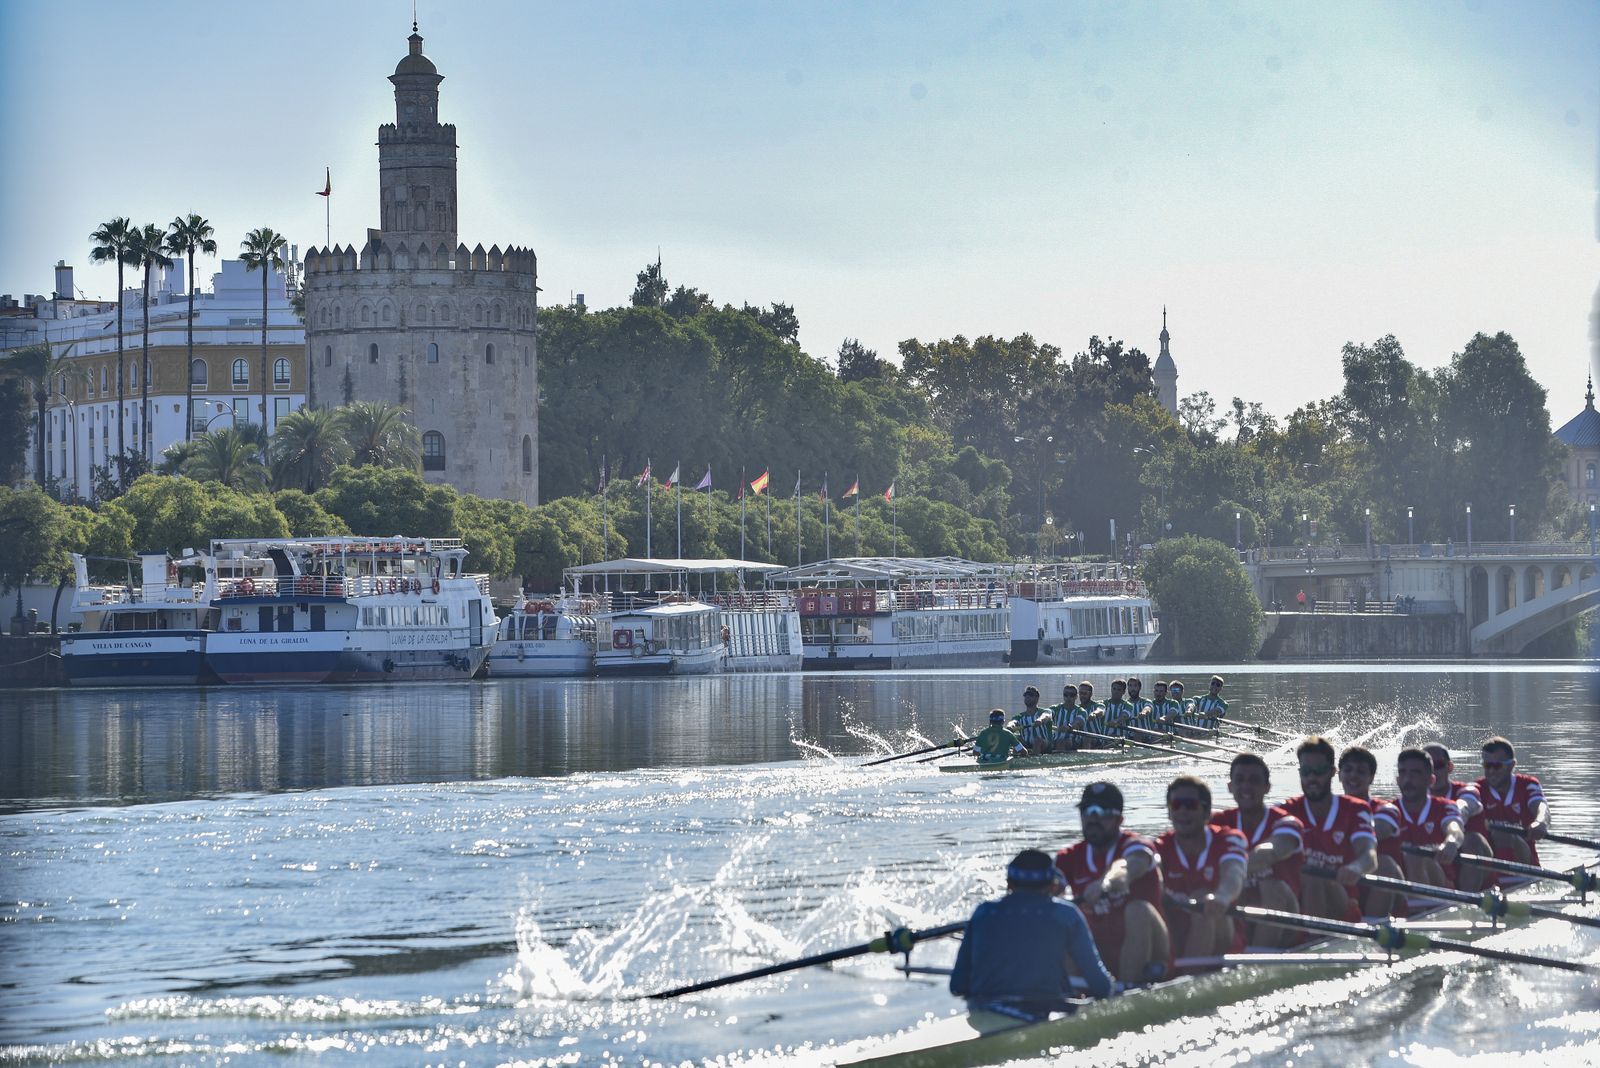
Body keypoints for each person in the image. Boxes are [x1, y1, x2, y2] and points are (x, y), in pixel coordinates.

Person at [950, 848, 1115, 1019]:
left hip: (981, 1012)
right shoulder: (1066, 914)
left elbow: (957, 986)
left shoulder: (982, 912)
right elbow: (1101, 987)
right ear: (1053, 886)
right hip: (1043, 1012)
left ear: (1008, 884)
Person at [1054, 783, 1171, 983]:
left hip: (1153, 952)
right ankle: (1067, 995)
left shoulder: (1137, 846)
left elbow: (1126, 867)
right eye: (1087, 811)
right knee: (1059, 918)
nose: (1093, 818)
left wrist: (1105, 884)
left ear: (1119, 820)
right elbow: (1044, 892)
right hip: (1098, 951)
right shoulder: (1067, 858)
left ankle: (1127, 989)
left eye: (1103, 812)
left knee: (1138, 910)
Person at [1282, 737, 1378, 922]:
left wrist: (1357, 867)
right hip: (1296, 904)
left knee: (1314, 877)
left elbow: (1369, 854)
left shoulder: (1356, 809)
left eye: (1318, 771)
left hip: (1343, 903)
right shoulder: (1286, 810)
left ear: (1333, 772)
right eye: (1306, 771)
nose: (1312, 778)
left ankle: (1310, 940)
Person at [1213, 753, 1304, 947]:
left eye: (1254, 781)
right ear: (1230, 786)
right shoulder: (1217, 823)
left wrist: (1226, 871)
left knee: (1272, 887)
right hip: (1238, 912)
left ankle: (1259, 957)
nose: (1246, 787)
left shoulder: (1286, 822)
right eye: (1240, 780)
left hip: (1285, 919)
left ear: (1267, 787)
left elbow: (1269, 853)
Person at [1155, 774, 1248, 959]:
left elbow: (1234, 873)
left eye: (1190, 805)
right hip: (1176, 934)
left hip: (1222, 935)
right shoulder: (1159, 847)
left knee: (1201, 900)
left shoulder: (1228, 839)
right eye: (1176, 805)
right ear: (1169, 812)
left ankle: (1187, 978)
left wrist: (1221, 896)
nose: (1182, 811)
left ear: (1206, 813)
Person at [1373, 748, 1464, 891]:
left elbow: (1454, 828)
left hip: (1441, 888)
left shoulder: (1446, 807)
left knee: (1414, 856)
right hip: (1401, 886)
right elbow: (1375, 830)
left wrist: (1452, 841)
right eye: (1403, 773)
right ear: (1397, 780)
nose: (1408, 780)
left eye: (1415, 774)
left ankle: (1417, 908)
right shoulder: (1388, 810)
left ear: (1431, 780)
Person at [1422, 743, 1493, 889]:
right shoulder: (1414, 801)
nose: (1434, 772)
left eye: (1439, 765)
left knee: (1472, 839)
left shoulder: (1468, 791)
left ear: (1450, 767)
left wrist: (1452, 839)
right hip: (1441, 872)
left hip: (1478, 870)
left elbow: (1463, 807)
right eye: (1428, 768)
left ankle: (1469, 899)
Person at [1476, 736, 1550, 866]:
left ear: (1512, 765)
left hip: (1527, 866)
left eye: (1497, 766)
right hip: (1490, 872)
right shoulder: (1476, 789)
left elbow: (1541, 806)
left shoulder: (1528, 785)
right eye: (1487, 765)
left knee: (1506, 834)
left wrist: (1540, 822)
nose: (1491, 771)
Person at [1010, 686, 1055, 755]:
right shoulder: (1019, 716)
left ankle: (1034, 759)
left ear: (1037, 698)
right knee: (1017, 740)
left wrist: (1040, 720)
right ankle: (1015, 759)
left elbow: (1046, 716)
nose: (1027, 697)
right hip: (1026, 744)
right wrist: (1010, 726)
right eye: (1026, 695)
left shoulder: (1044, 711)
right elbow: (1013, 722)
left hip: (1044, 745)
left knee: (1037, 740)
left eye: (1030, 695)